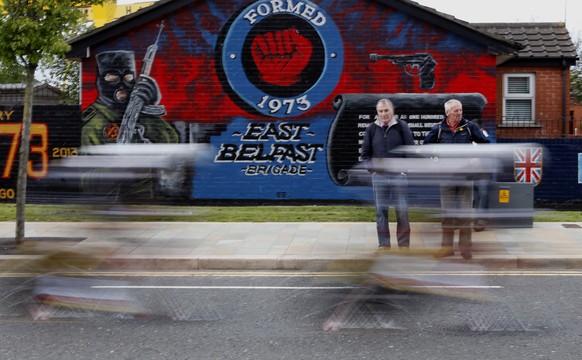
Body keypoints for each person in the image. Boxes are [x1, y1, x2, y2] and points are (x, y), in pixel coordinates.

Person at [423, 99, 489, 260]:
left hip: (466, 178)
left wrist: (476, 156)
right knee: (447, 215)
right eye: (455, 111)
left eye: (460, 110)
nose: (459, 113)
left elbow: (485, 143)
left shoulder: (469, 127)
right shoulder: (438, 129)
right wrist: (435, 160)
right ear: (447, 113)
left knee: (465, 214)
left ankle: (465, 248)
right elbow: (426, 147)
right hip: (446, 178)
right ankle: (446, 248)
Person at [360, 98, 415, 250]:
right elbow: (365, 154)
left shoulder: (402, 126)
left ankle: (404, 246)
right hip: (380, 178)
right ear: (377, 113)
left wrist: (405, 171)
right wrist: (373, 170)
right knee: (381, 212)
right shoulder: (371, 129)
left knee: (402, 212)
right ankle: (384, 244)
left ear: (392, 111)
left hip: (399, 176)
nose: (384, 114)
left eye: (386, 111)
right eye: (381, 111)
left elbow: (410, 150)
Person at [471, 119, 491, 232]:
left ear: (481, 129)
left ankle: (481, 220)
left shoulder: (487, 138)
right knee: (475, 196)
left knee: (482, 194)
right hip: (470, 172)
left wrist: (479, 160)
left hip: (483, 172)